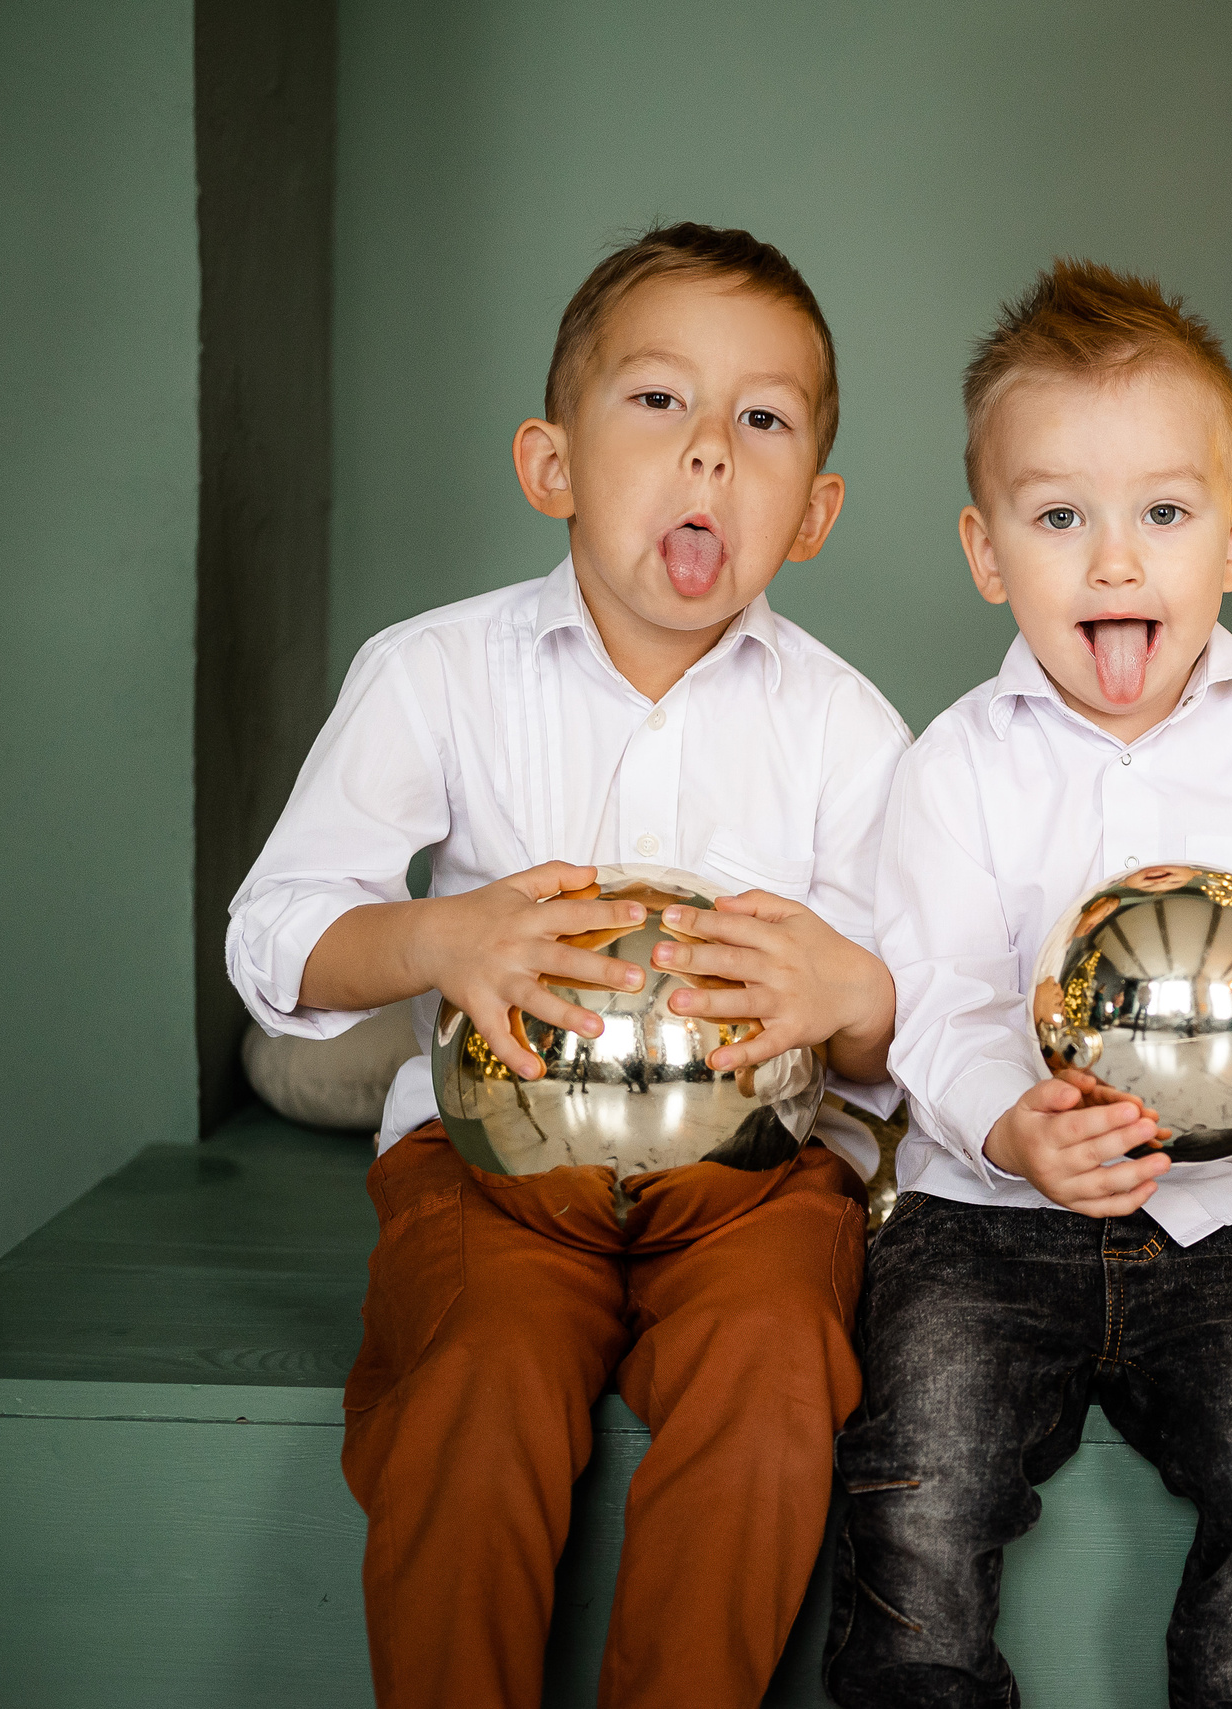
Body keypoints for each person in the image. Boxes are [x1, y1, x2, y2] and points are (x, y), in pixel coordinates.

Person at [226, 222, 906, 1709]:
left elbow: (901, 1022)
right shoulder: (435, 672)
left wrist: (853, 996)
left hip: (753, 1185)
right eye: (659, 402)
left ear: (814, 512)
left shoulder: (849, 729)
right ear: (550, 465)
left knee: (781, 1369)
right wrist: (437, 935)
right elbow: (275, 936)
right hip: (494, 1172)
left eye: (764, 420)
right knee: (474, 1385)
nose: (712, 452)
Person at [826, 260, 1232, 1709]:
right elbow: (929, 994)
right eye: (1061, 518)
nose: (1116, 564)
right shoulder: (955, 764)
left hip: (1226, 1223)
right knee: (914, 1487)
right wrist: (1007, 1124)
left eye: (1163, 515)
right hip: (984, 1229)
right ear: (988, 551)